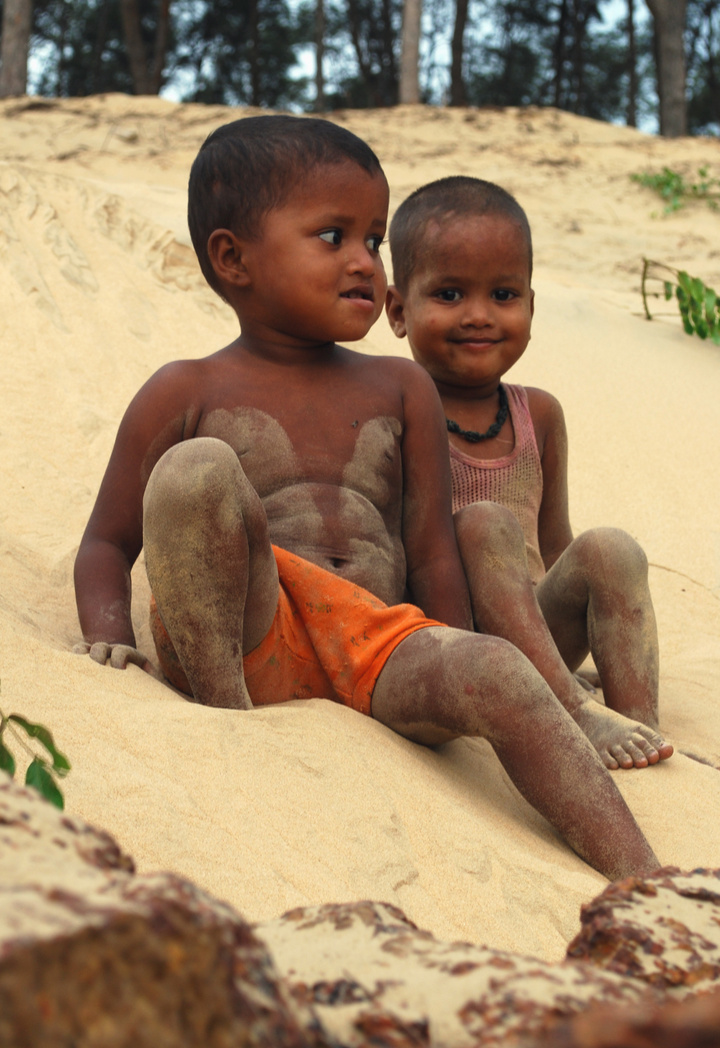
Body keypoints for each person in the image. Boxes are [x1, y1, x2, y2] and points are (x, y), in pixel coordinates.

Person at [74, 115, 665, 881]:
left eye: (375, 241)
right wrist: (107, 631)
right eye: (334, 237)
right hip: (255, 630)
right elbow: (106, 543)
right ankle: (227, 730)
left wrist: (456, 649)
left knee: (499, 673)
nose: (367, 263)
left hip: (379, 643)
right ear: (233, 258)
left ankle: (648, 881)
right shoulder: (184, 387)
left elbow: (428, 548)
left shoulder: (400, 385)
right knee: (195, 472)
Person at [386, 175, 672, 772]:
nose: (479, 316)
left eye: (504, 295)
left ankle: (637, 726)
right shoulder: (394, 408)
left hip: (537, 638)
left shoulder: (537, 412)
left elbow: (555, 542)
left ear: (532, 306)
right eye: (449, 294)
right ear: (398, 310)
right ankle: (573, 709)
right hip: (451, 640)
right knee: (484, 524)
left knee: (611, 548)